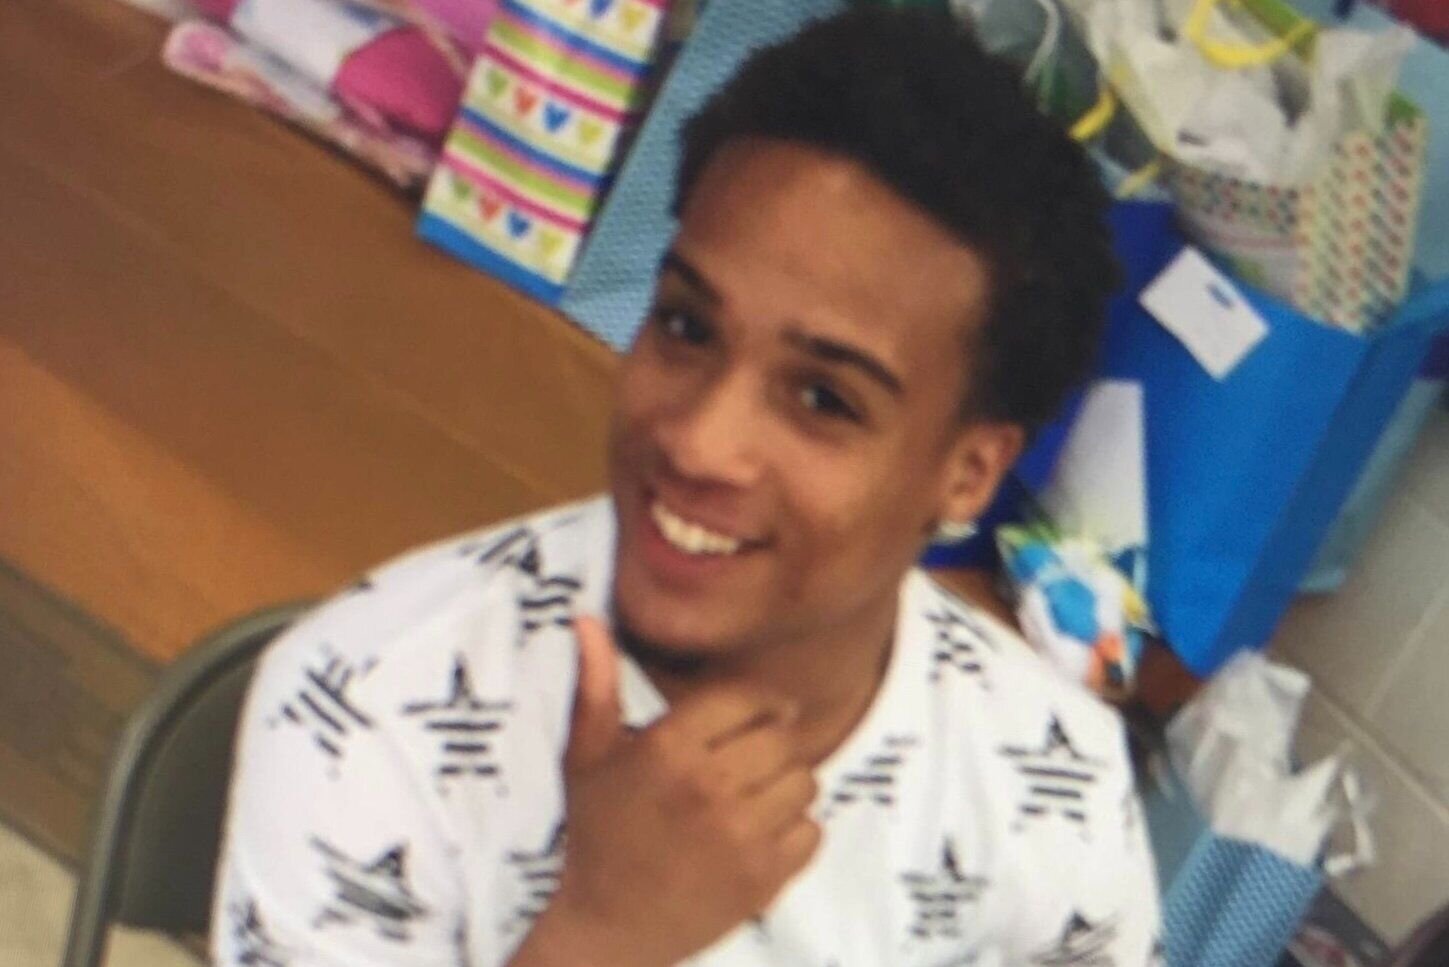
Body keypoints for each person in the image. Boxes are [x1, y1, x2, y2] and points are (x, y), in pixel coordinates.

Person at [211, 8, 1162, 966]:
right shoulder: (372, 705)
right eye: (685, 327)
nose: (701, 442)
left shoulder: (1053, 785)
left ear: (967, 474)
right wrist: (600, 935)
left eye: (822, 398)